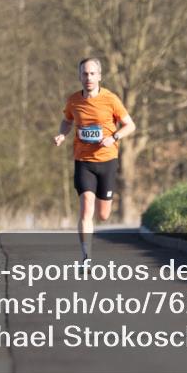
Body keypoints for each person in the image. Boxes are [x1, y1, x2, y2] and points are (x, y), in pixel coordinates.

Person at [52, 57, 136, 262]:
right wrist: (62, 134)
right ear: (80, 76)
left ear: (99, 76)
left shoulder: (111, 99)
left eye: (92, 74)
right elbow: (66, 121)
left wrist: (114, 137)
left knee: (103, 215)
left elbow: (130, 125)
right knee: (86, 206)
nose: (88, 78)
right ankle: (86, 254)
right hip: (83, 161)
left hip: (107, 160)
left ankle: (103, 210)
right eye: (84, 74)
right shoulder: (74, 100)